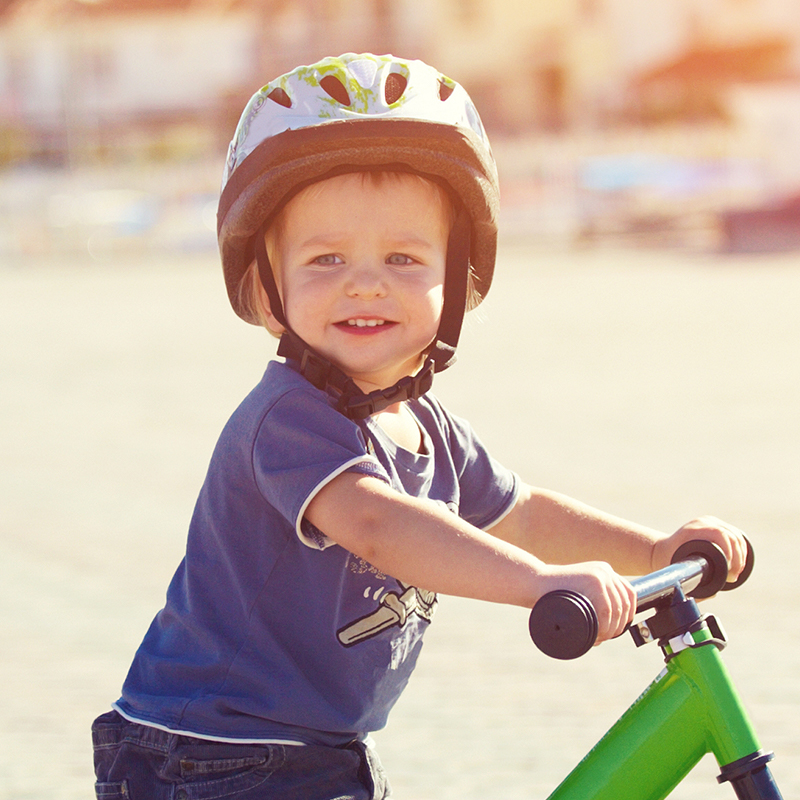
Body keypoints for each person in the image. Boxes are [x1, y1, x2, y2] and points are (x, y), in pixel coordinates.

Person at [91, 53, 747, 800]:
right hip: (212, 752)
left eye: (403, 258)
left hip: (318, 746)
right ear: (268, 294)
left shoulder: (428, 429)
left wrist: (653, 550)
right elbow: (376, 524)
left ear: (458, 282)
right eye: (325, 259)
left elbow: (523, 513)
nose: (365, 281)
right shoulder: (285, 422)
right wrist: (539, 586)